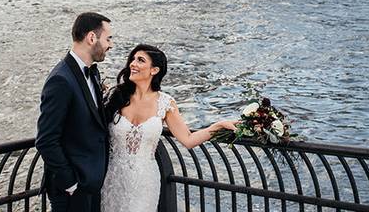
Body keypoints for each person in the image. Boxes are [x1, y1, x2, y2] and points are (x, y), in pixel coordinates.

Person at [100, 44, 237, 212]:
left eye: (140, 60)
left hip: (145, 181)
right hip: (113, 176)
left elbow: (188, 139)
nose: (132, 64)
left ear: (154, 70)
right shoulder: (116, 96)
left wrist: (218, 126)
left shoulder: (165, 103)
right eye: (133, 59)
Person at [36, 12, 114, 212]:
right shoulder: (60, 80)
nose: (110, 45)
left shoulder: (92, 72)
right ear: (91, 38)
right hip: (72, 190)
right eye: (108, 38)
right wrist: (70, 183)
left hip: (90, 183)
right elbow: (46, 139)